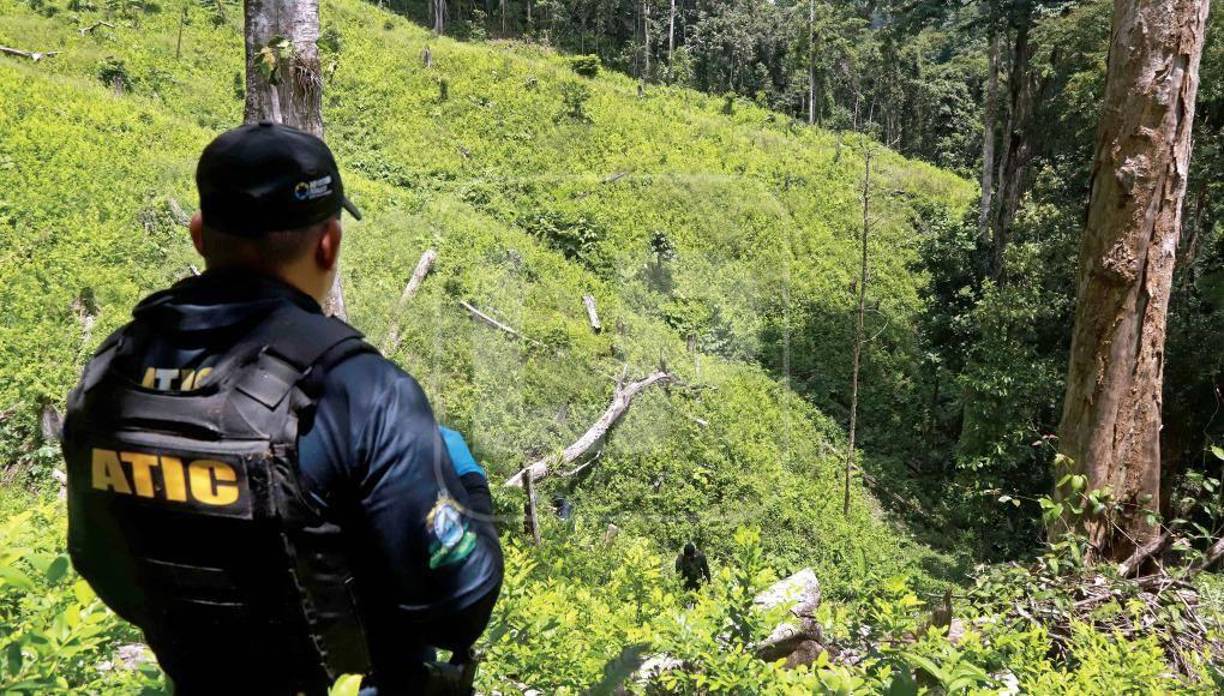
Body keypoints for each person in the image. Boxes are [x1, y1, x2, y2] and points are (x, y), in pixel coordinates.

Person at [61, 122, 502, 695]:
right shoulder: (362, 391)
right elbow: (459, 607)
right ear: (329, 243)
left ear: (199, 234)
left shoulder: (114, 369)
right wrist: (466, 481)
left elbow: (101, 564)